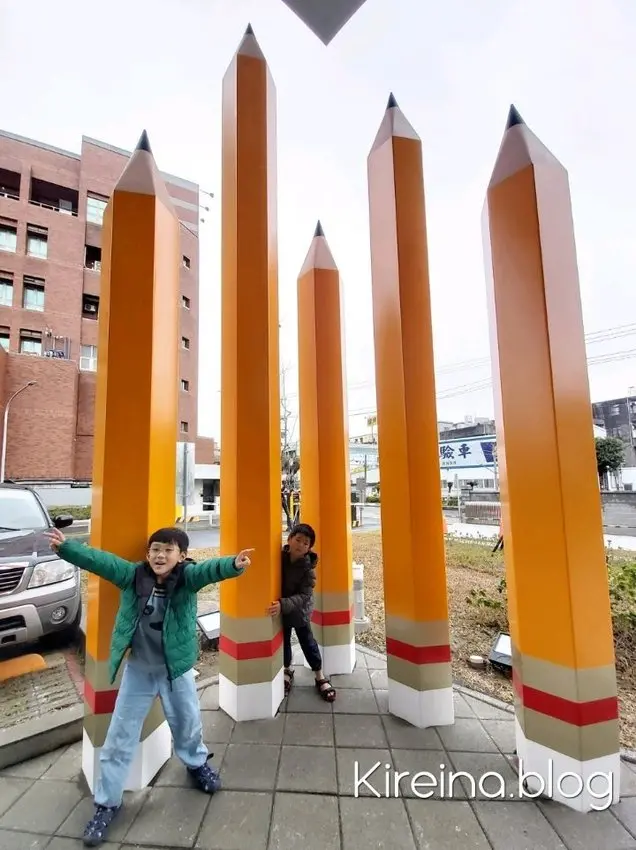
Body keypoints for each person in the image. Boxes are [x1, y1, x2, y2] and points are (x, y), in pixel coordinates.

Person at [44, 525, 253, 848]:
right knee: (119, 736)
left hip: (176, 670)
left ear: (182, 556)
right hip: (139, 670)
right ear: (147, 554)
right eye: (155, 549)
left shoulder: (187, 578)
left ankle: (197, 764)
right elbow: (101, 562)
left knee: (188, 723)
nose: (160, 555)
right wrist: (67, 549)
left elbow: (210, 571)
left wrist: (232, 565)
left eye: (168, 550)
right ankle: (106, 803)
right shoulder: (132, 576)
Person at [266, 523, 335, 701]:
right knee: (285, 642)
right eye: (298, 540)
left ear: (309, 548)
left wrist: (284, 604)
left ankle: (319, 675)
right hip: (282, 608)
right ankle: (287, 670)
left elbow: (305, 595)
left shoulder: (308, 569)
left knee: (307, 642)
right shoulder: (278, 558)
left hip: (299, 611)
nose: (301, 545)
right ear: (289, 539)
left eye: (306, 543)